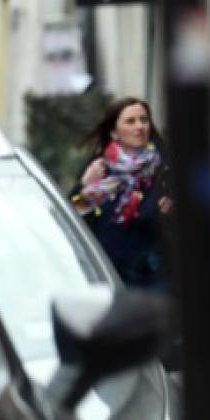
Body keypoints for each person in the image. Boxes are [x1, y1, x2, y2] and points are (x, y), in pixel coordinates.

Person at [74, 97, 170, 290]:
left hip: (154, 279)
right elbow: (73, 218)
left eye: (144, 120)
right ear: (114, 132)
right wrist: (84, 186)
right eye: (130, 121)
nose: (140, 126)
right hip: (109, 277)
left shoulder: (166, 168)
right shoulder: (98, 170)